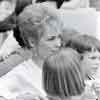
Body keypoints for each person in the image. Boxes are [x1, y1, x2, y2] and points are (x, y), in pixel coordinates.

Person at [0, 4, 63, 99]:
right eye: (51, 39)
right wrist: (17, 98)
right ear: (32, 42)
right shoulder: (21, 73)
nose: (58, 43)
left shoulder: (64, 65)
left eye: (59, 37)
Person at [63, 34, 100, 100]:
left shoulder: (95, 82)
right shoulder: (64, 83)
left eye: (99, 58)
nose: (98, 62)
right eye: (93, 58)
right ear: (76, 58)